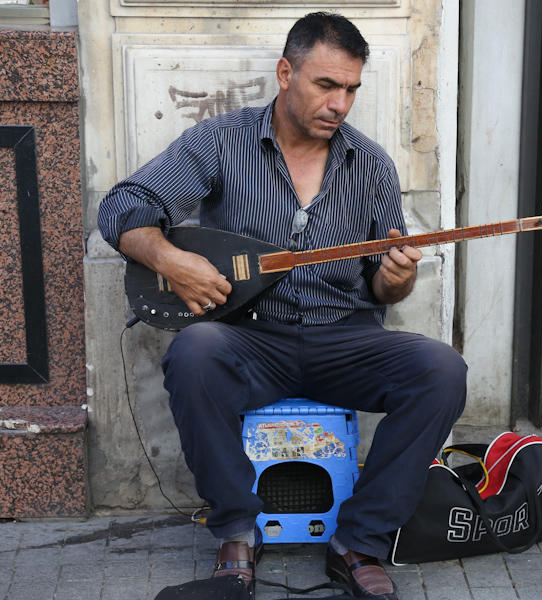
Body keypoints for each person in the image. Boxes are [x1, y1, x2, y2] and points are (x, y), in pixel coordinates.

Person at [98, 12, 467, 600]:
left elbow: (382, 289)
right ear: (285, 73)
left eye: (351, 89)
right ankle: (237, 533)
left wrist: (396, 278)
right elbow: (122, 208)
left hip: (344, 337)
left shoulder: (369, 164)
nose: (340, 103)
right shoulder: (222, 141)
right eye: (326, 85)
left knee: (442, 370)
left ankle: (360, 542)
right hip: (250, 338)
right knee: (194, 350)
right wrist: (170, 260)